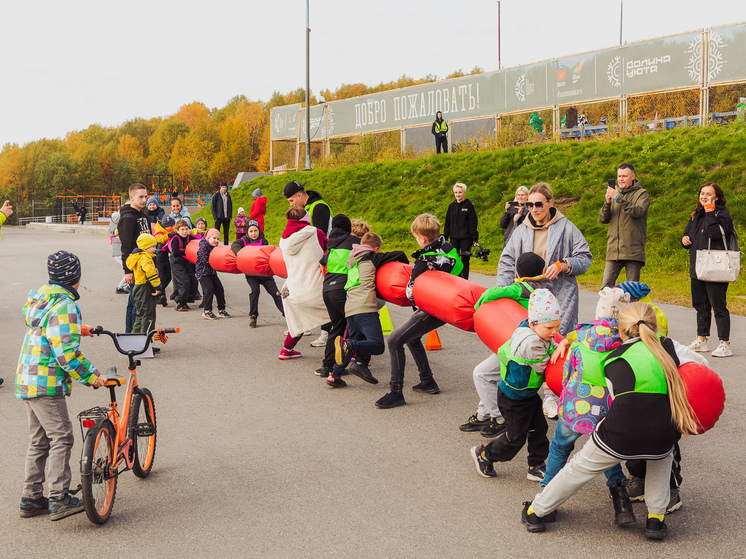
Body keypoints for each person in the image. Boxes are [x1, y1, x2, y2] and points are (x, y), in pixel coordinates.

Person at [522, 303, 700, 541]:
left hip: (620, 433)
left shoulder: (613, 358)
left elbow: (617, 401)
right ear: (655, 327)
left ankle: (536, 512)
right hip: (663, 432)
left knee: (578, 469)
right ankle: (656, 520)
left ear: (622, 332)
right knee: (661, 457)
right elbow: (702, 369)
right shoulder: (669, 346)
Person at [16, 251, 106, 520]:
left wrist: (80, 328)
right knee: (63, 436)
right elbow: (66, 354)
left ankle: (31, 497)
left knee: (40, 440)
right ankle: (59, 497)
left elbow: (50, 328)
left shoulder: (43, 300)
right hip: (46, 382)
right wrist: (93, 376)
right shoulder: (66, 305)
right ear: (74, 277)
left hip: (29, 378)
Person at [496, 182, 592, 418]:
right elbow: (507, 261)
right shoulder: (521, 229)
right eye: (529, 204)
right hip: (527, 297)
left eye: (539, 204)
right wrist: (503, 290)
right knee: (529, 343)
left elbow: (585, 257)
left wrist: (564, 264)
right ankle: (521, 392)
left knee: (558, 344)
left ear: (550, 203)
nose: (534, 209)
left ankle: (551, 395)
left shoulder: (566, 227)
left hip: (560, 296)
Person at [470, 289, 568, 482]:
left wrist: (560, 342)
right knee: (515, 439)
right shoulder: (530, 342)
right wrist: (562, 344)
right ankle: (484, 454)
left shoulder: (534, 329)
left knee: (539, 429)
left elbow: (553, 346)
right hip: (513, 399)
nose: (554, 332)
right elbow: (547, 368)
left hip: (527, 394)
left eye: (557, 327)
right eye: (550, 328)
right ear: (533, 323)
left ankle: (536, 464)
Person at [461, 253, 554, 438]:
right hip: (530, 343)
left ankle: (499, 418)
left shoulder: (520, 289)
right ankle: (483, 414)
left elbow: (494, 292)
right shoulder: (547, 288)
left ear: (518, 273)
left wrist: (479, 305)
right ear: (543, 271)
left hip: (521, 348)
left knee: (482, 374)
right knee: (494, 375)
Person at [375, 214, 462, 409]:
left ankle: (395, 391)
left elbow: (410, 292)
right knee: (412, 337)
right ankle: (427, 381)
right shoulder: (449, 249)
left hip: (433, 308)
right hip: (447, 304)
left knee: (394, 340)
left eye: (415, 236)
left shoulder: (425, 260)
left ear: (422, 238)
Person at [330, 232, 409, 388]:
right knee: (377, 345)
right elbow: (400, 254)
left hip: (351, 308)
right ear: (376, 248)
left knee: (355, 345)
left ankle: (335, 375)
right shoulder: (372, 256)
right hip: (365, 307)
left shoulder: (352, 259)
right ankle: (350, 347)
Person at [681, 182, 735, 358]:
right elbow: (686, 234)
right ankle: (702, 340)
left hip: (715, 266)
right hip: (697, 265)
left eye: (709, 194)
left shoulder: (722, 214)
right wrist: (684, 240)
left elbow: (715, 234)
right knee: (700, 305)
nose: (704, 197)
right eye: (702, 193)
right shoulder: (696, 214)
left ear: (717, 197)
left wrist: (711, 212)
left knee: (718, 305)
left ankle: (725, 343)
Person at [284, 179, 334, 347]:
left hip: (323, 257)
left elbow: (319, 235)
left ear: (299, 195)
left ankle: (326, 333)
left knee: (321, 295)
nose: (292, 204)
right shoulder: (308, 208)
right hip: (313, 257)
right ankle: (304, 326)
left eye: (291, 201)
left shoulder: (318, 207)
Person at [278, 207, 329, 360]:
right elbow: (329, 249)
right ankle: (349, 349)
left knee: (297, 323)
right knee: (342, 314)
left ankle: (286, 350)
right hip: (314, 288)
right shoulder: (316, 233)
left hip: (291, 289)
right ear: (306, 218)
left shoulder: (284, 239)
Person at [316, 215, 361, 378]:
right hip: (342, 289)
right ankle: (356, 363)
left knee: (337, 327)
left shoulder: (331, 243)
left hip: (327, 289)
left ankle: (326, 366)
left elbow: (322, 262)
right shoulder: (354, 241)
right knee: (356, 325)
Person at [599, 163, 650, 287]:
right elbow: (602, 219)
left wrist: (618, 197)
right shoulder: (614, 195)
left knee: (632, 291)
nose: (621, 179)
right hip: (613, 250)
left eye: (624, 176)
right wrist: (607, 202)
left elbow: (637, 211)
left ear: (633, 176)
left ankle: (633, 308)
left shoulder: (642, 194)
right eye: (619, 176)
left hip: (632, 251)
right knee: (606, 288)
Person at [231, 219, 283, 328]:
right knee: (255, 291)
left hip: (265, 274)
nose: (254, 233)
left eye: (256, 231)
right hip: (252, 274)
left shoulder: (263, 241)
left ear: (259, 230)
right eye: (251, 231)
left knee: (276, 294)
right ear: (247, 232)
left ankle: (286, 314)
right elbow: (235, 245)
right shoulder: (244, 241)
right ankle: (253, 316)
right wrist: (240, 254)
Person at [119, 183, 151, 333]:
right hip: (135, 269)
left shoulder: (142, 215)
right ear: (131, 197)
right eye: (141, 197)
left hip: (146, 266)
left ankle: (141, 339)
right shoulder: (127, 218)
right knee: (135, 305)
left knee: (141, 304)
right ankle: (132, 338)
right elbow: (126, 247)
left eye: (146, 196)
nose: (144, 199)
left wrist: (153, 265)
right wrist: (127, 271)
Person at [125, 233, 162, 333]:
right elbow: (151, 273)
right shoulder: (146, 258)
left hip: (137, 287)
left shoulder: (136, 256)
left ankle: (135, 339)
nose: (155, 249)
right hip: (144, 288)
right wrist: (158, 286)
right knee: (148, 315)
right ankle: (146, 342)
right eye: (153, 246)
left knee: (140, 315)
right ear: (145, 247)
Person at [443, 182, 479, 279]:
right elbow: (447, 223)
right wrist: (444, 238)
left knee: (465, 260)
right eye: (456, 192)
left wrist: (475, 239)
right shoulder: (451, 206)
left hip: (466, 238)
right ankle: (456, 280)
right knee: (454, 260)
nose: (458, 194)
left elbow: (473, 223)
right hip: (454, 238)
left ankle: (464, 280)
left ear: (464, 193)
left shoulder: (469, 206)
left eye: (460, 192)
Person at [196, 228, 230, 320]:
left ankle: (221, 310)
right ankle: (207, 311)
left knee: (219, 289)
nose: (216, 241)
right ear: (208, 238)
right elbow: (206, 260)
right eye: (214, 238)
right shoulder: (204, 247)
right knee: (209, 290)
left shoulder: (215, 247)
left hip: (212, 273)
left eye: (218, 239)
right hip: (202, 273)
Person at [167, 219, 199, 312]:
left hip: (186, 262)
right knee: (184, 281)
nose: (185, 231)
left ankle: (186, 300)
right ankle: (179, 302)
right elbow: (176, 252)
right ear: (177, 230)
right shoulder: (176, 239)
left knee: (193, 280)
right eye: (182, 229)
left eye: (186, 229)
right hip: (176, 263)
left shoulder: (189, 238)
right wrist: (187, 251)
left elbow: (197, 239)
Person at [153, 216, 175, 307]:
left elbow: (174, 232)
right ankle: (161, 295)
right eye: (170, 226)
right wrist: (168, 236)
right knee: (161, 277)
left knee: (168, 277)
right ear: (165, 226)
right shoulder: (159, 230)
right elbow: (159, 239)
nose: (172, 228)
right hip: (158, 257)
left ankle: (158, 291)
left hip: (165, 256)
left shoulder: (168, 230)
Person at [109, 211, 129, 295]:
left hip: (119, 253)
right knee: (129, 269)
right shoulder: (117, 229)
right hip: (119, 253)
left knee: (129, 269)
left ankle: (129, 285)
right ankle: (120, 287)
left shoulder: (113, 227)